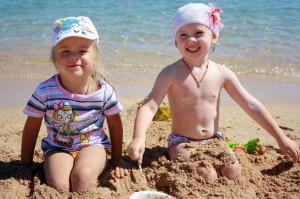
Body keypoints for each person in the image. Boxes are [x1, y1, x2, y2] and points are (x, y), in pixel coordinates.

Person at [127, 3, 300, 182]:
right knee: (205, 175)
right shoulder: (170, 73)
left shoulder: (221, 73)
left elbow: (250, 104)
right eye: (183, 35)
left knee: (233, 171)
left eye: (199, 33)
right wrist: (139, 137)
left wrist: (280, 137)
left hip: (214, 140)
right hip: (182, 142)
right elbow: (149, 106)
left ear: (214, 36)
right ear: (175, 41)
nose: (191, 40)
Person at [16, 16, 128, 193]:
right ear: (54, 59)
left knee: (82, 179)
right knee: (60, 185)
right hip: (57, 147)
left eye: (82, 51)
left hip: (93, 145)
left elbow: (115, 125)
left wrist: (116, 158)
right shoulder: (45, 91)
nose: (74, 57)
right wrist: (25, 164)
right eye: (65, 52)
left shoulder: (103, 91)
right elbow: (31, 128)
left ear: (95, 57)